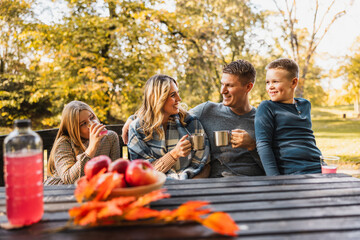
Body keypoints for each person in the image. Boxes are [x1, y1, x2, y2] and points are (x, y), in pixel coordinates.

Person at [123, 60, 264, 178]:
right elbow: (167, 111)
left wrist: (253, 146)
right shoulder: (206, 110)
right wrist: (132, 119)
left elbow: (273, 166)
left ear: (248, 87)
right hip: (216, 184)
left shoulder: (262, 120)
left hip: (252, 182)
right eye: (222, 84)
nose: (222, 90)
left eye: (230, 85)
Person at [127, 74, 210, 179]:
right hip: (156, 188)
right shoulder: (137, 129)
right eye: (173, 95)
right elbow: (144, 172)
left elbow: (204, 165)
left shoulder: (190, 122)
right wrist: (174, 154)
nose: (179, 99)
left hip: (190, 187)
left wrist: (188, 188)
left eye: (178, 93)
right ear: (158, 98)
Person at [255, 58, 322, 176]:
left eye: (275, 81)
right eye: (267, 82)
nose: (270, 86)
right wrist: (275, 179)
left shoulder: (305, 105)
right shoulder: (267, 107)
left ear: (294, 82)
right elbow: (263, 145)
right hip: (293, 171)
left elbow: (308, 139)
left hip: (319, 166)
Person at [44, 101, 120, 185]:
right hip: (59, 191)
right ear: (74, 129)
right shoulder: (64, 143)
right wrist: (91, 148)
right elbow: (69, 180)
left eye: (91, 118)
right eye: (84, 123)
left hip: (92, 188)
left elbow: (113, 173)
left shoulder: (110, 138)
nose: (92, 124)